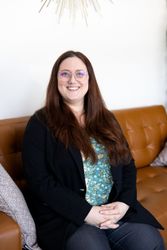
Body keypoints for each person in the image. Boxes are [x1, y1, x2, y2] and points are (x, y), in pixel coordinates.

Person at [22, 50, 165, 250]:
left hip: (113, 208)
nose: (73, 80)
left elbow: (127, 164)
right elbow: (40, 182)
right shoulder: (40, 123)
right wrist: (87, 213)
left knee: (150, 242)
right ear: (56, 80)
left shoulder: (106, 118)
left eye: (80, 73)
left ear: (89, 79)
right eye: (65, 74)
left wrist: (124, 204)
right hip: (68, 217)